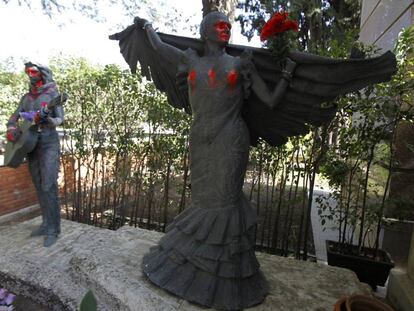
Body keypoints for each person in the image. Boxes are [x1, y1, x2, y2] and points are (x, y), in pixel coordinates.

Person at [110, 10, 396, 310]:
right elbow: (156, 46)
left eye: (228, 26)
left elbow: (270, 100)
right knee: (203, 203)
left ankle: (226, 281)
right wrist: (145, 26)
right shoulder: (189, 60)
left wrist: (286, 74)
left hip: (231, 140)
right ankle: (195, 271)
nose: (225, 30)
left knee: (224, 204)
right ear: (204, 30)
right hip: (201, 142)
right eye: (219, 25)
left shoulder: (240, 63)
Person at [6, 62, 64, 247]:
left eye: (33, 71)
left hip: (48, 143)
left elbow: (60, 119)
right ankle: (45, 224)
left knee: (48, 185)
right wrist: (12, 128)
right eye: (27, 71)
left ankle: (54, 229)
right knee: (39, 185)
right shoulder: (26, 97)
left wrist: (47, 118)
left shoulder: (53, 94)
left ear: (42, 73)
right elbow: (14, 116)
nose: (29, 74)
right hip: (30, 144)